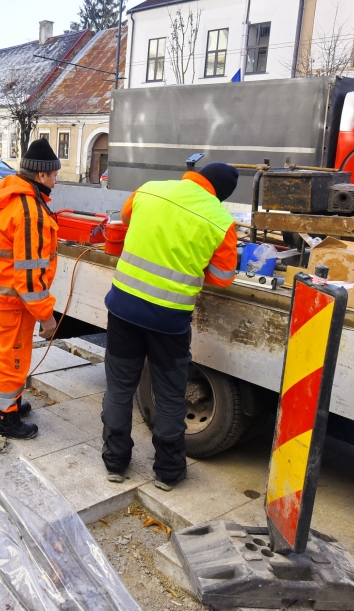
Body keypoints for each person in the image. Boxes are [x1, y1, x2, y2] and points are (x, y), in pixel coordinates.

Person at [100, 162, 239, 492]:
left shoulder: (149, 189)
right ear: (220, 194)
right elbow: (222, 278)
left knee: (119, 390)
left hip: (123, 309)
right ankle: (167, 471)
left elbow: (125, 221)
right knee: (169, 396)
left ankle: (116, 464)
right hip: (169, 322)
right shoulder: (220, 221)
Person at [0, 138, 61, 440]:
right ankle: (4, 420)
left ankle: (9, 403)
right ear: (40, 176)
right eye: (53, 174)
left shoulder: (1, 193)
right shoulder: (29, 212)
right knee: (13, 360)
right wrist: (46, 316)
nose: (56, 179)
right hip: (13, 302)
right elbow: (30, 275)